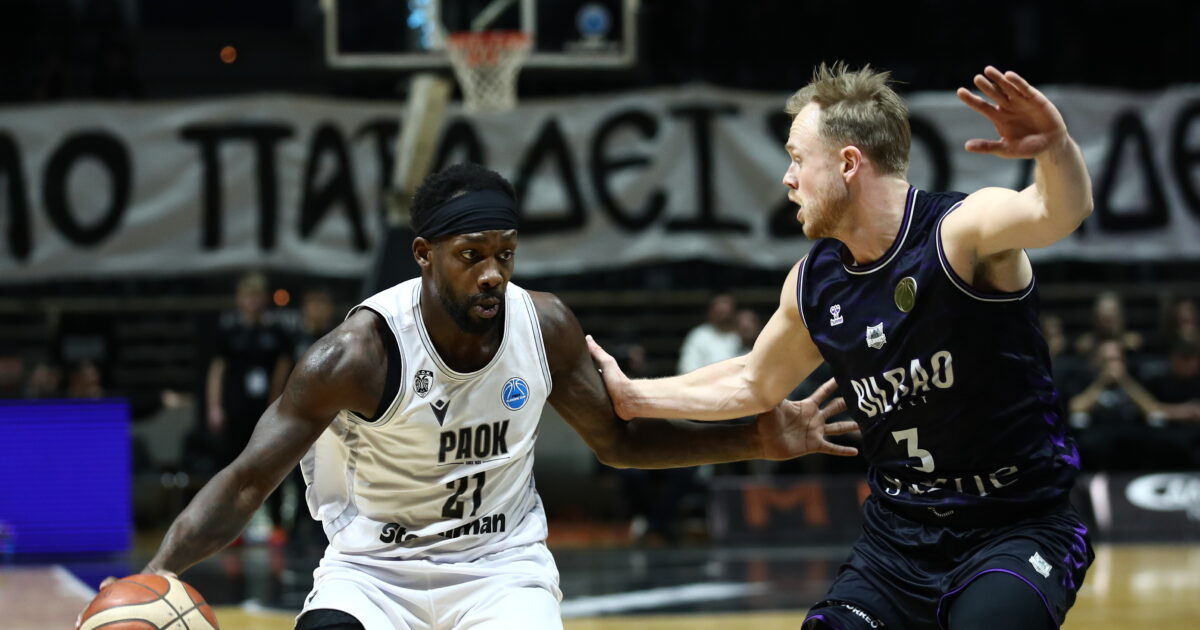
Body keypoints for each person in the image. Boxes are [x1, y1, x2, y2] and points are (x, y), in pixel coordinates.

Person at [109, 163, 857, 630]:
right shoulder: (357, 355)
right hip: (374, 571)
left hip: (501, 568)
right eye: (472, 256)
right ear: (424, 256)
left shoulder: (545, 326)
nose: (493, 273)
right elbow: (246, 482)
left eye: (505, 254)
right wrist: (158, 572)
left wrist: (757, 437)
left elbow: (620, 443)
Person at [589, 63, 1094, 630]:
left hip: (1016, 527)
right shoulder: (814, 283)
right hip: (897, 544)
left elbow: (1055, 211)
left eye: (797, 159)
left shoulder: (958, 232)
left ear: (848, 163)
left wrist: (1055, 149)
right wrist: (634, 397)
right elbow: (754, 381)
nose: (788, 178)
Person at [206, 272, 293, 544]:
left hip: (265, 410)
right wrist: (215, 407)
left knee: (271, 464)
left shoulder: (275, 332)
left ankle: (277, 524)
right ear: (239, 299)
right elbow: (217, 370)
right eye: (248, 296)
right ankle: (232, 529)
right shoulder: (228, 332)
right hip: (235, 410)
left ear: (264, 299)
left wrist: (277, 403)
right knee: (233, 468)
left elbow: (282, 368)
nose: (252, 301)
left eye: (257, 295)